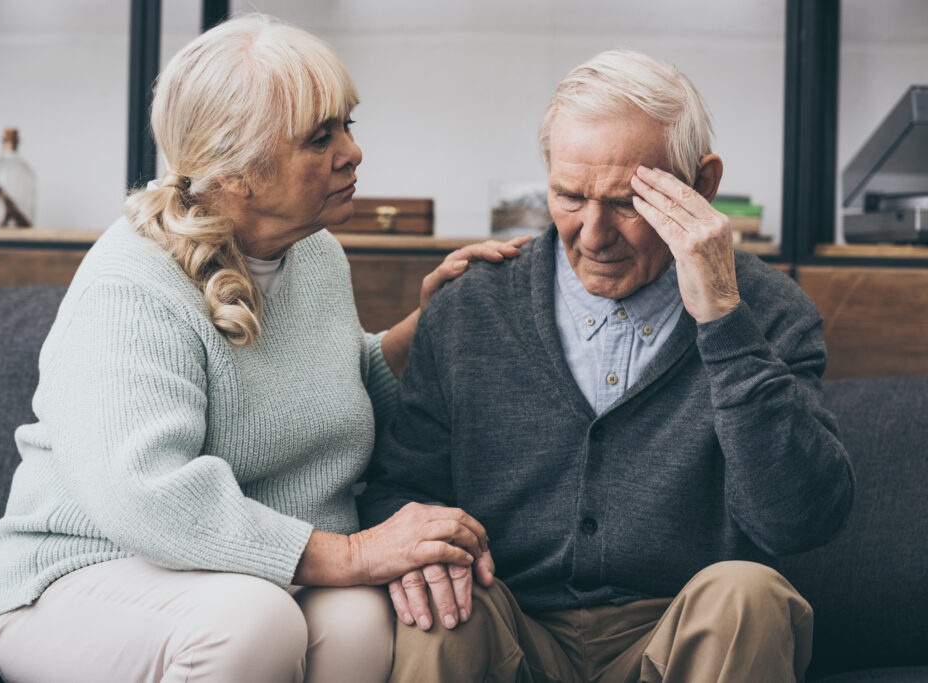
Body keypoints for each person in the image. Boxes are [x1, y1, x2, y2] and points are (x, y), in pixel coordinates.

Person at [0, 14, 527, 683]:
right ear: (235, 171)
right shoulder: (131, 282)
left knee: (359, 619)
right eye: (319, 138)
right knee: (252, 622)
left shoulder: (314, 254)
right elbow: (146, 495)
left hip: (233, 573)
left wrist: (426, 328)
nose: (352, 153)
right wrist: (351, 552)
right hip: (78, 577)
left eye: (349, 125)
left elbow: (332, 386)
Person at [359, 48, 855, 683]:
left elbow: (801, 520)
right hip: (509, 623)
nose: (592, 234)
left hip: (681, 634)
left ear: (702, 186)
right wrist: (418, 545)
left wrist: (725, 322)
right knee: (436, 611)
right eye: (568, 196)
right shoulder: (472, 305)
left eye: (626, 202)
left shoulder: (768, 310)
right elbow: (396, 489)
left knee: (748, 594)